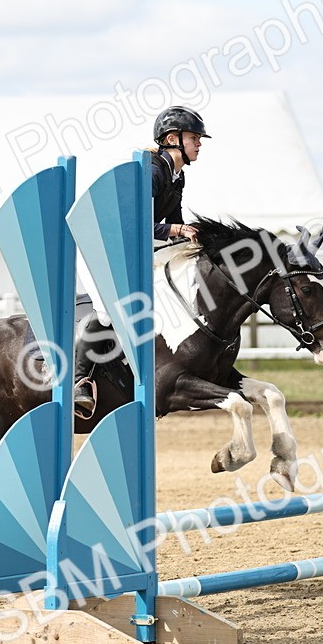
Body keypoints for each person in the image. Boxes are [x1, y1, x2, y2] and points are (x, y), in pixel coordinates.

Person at [72, 105, 211, 418]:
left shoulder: (177, 177)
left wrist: (191, 238)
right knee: (108, 311)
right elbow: (138, 224)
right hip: (99, 246)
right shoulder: (152, 170)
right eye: (194, 137)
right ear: (172, 138)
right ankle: (80, 380)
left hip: (129, 247)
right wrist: (176, 229)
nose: (199, 143)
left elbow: (172, 224)